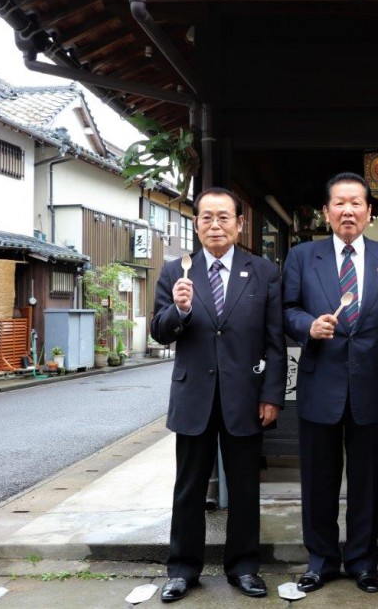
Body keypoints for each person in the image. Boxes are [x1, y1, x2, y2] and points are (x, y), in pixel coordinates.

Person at [151, 187, 286, 602]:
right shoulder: (177, 271)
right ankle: (182, 569)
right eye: (206, 217)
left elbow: (274, 341)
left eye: (223, 217)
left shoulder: (263, 271)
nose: (215, 224)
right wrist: (181, 310)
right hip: (194, 395)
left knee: (245, 487)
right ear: (196, 223)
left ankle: (244, 567)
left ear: (239, 223)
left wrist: (272, 396)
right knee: (189, 487)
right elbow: (158, 331)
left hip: (245, 396)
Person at [282, 172, 378, 594]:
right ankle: (320, 560)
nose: (348, 210)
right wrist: (307, 326)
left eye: (357, 203)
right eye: (339, 203)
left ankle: (362, 560)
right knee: (318, 480)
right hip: (320, 383)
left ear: (370, 212)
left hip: (372, 385)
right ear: (326, 212)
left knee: (368, 480)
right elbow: (287, 309)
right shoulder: (303, 257)